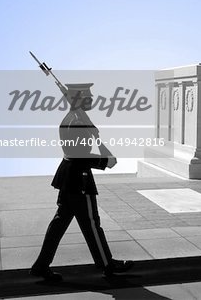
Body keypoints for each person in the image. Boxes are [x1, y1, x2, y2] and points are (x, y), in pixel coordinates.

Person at [30, 83, 133, 281]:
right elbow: (79, 156)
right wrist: (105, 161)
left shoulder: (72, 119)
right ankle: (107, 264)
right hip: (78, 180)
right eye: (89, 96)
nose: (92, 98)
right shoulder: (77, 122)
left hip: (69, 178)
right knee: (92, 224)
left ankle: (41, 266)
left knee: (60, 224)